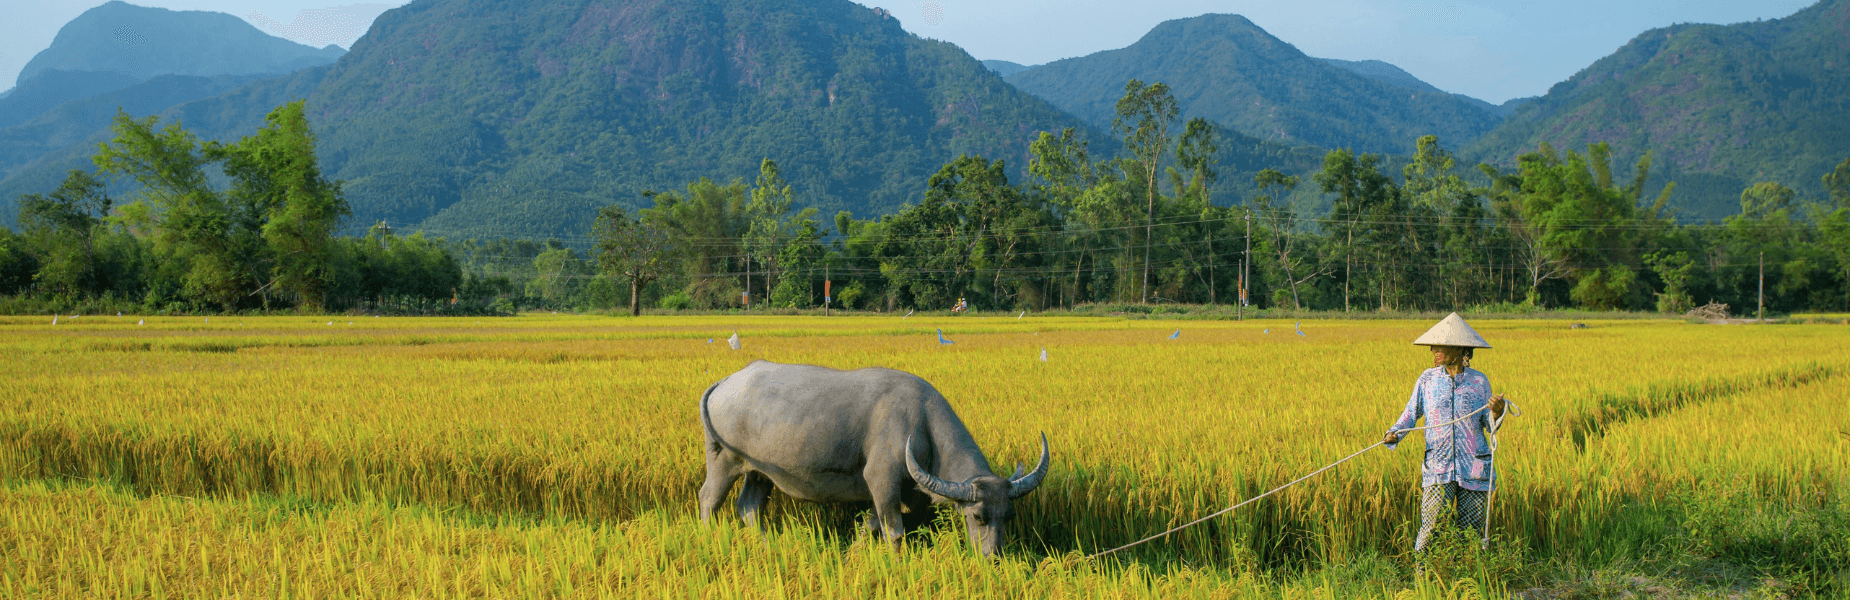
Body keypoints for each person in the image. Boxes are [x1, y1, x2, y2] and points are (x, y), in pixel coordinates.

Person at [1382, 312, 1507, 555]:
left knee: (1470, 533)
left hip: (1474, 468)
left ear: (1461, 349)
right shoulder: (1427, 380)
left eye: (1440, 346)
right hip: (1438, 466)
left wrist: (1497, 412)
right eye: (1433, 346)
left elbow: (1490, 428)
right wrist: (1395, 432)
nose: (1433, 350)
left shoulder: (1479, 382)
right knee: (1430, 528)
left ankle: (1468, 580)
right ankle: (1423, 578)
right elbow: (1411, 413)